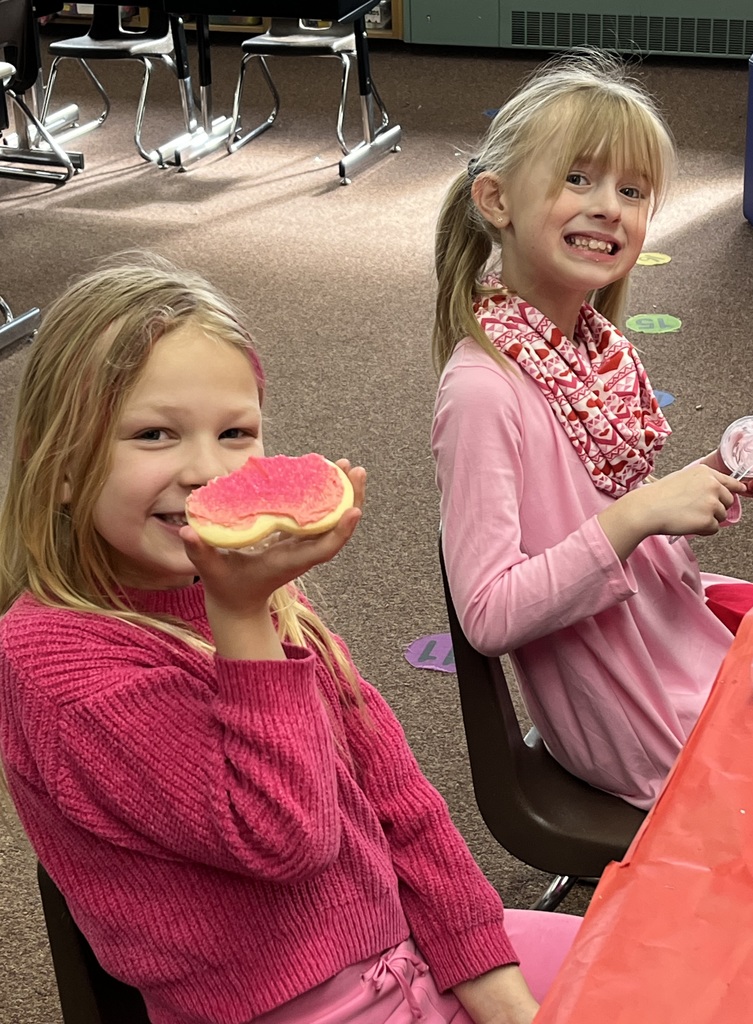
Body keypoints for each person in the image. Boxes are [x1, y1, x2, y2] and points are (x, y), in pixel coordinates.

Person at [0, 252, 580, 1024]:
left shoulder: (243, 590)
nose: (206, 469)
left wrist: (492, 982)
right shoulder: (54, 666)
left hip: (407, 956)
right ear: (60, 464)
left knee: (661, 962)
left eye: (236, 431)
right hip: (295, 1008)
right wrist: (245, 615)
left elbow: (396, 795)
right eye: (153, 434)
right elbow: (282, 838)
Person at [431, 51, 753, 813]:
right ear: (497, 199)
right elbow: (487, 616)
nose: (609, 206)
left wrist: (716, 472)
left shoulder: (594, 350)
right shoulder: (484, 391)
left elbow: (609, 517)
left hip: (669, 643)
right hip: (633, 712)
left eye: (632, 189)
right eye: (578, 179)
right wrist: (640, 513)